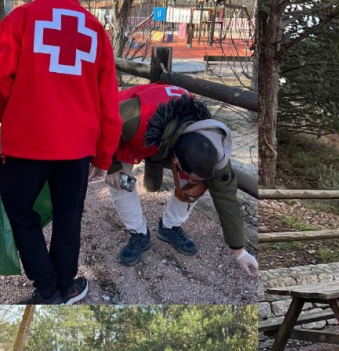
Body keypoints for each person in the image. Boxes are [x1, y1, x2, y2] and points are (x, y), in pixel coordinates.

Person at [0, 0, 121, 304]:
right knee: (69, 217)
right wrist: (104, 156)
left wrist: (8, 114)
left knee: (18, 210)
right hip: (78, 147)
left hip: (27, 141)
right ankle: (64, 285)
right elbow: (109, 101)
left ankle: (47, 285)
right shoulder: (94, 29)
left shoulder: (21, 19)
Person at [104, 83, 258, 276]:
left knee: (194, 186)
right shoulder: (132, 117)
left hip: (169, 132)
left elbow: (226, 195)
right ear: (175, 160)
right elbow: (103, 125)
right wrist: (111, 166)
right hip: (124, 129)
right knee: (120, 182)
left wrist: (239, 251)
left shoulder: (214, 148)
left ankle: (169, 227)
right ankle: (138, 233)